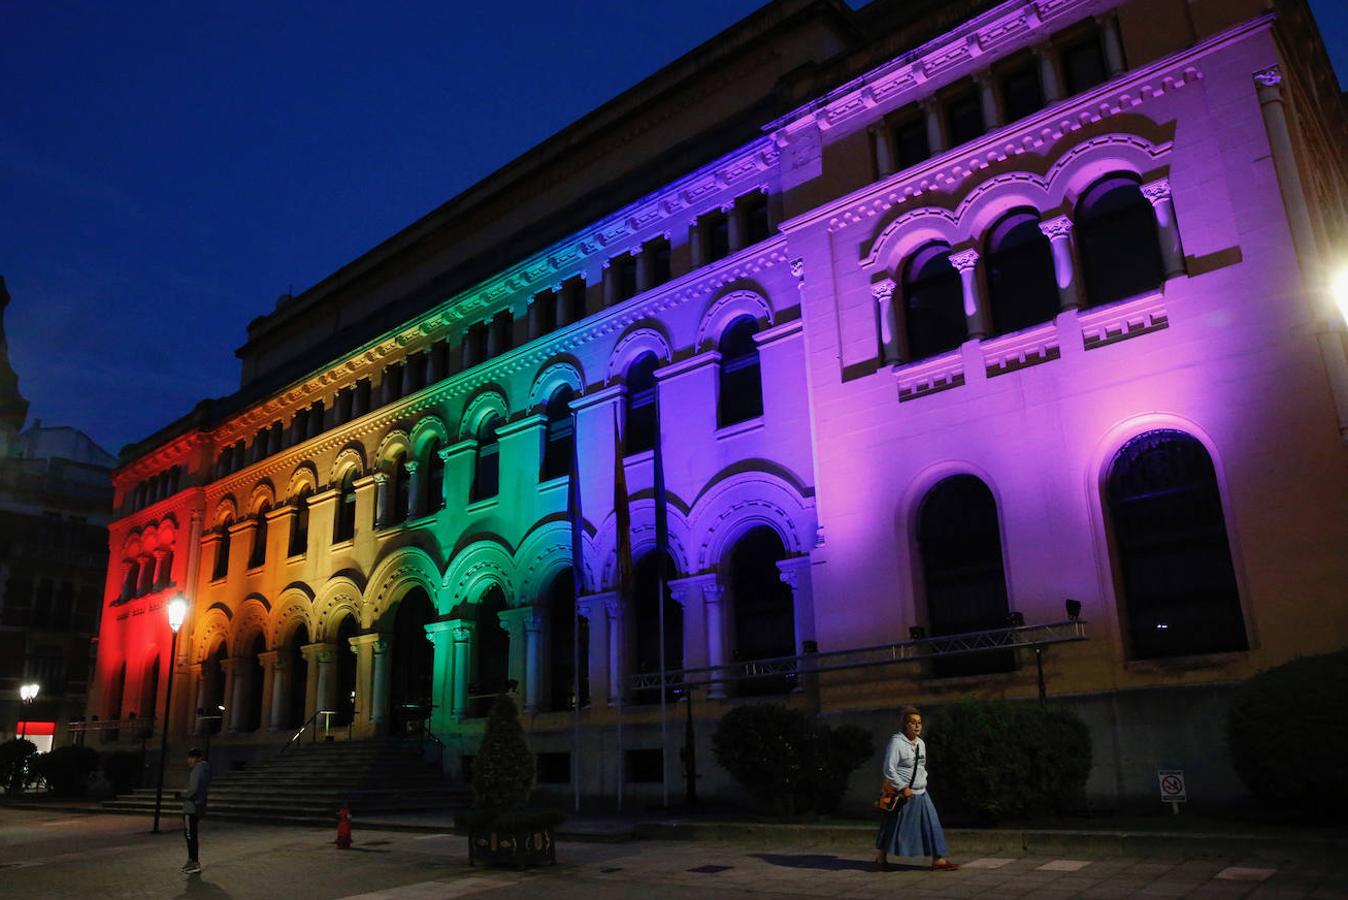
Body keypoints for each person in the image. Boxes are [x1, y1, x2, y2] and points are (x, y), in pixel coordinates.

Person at [875, 706, 958, 872]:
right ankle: (881, 857)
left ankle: (939, 860)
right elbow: (889, 769)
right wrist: (902, 787)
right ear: (905, 725)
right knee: (892, 825)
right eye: (913, 723)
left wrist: (922, 781)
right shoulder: (896, 743)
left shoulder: (921, 743)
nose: (917, 726)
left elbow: (920, 767)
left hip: (921, 792)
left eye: (919, 723)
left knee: (932, 823)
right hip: (902, 794)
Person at [180, 748, 211, 875]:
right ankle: (191, 861)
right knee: (191, 835)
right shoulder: (205, 770)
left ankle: (194, 862)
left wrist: (182, 795)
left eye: (191, 758)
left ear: (197, 758)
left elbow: (193, 789)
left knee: (190, 835)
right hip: (198, 806)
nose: (189, 761)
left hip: (191, 807)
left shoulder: (197, 770)